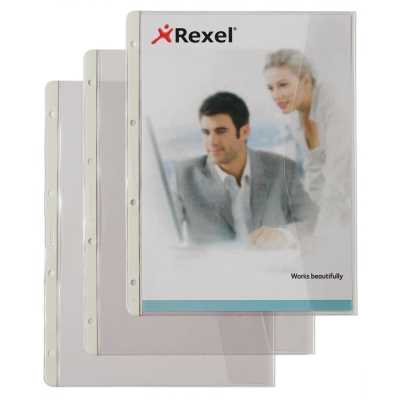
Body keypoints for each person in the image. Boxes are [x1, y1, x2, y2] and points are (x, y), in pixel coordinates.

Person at [172, 91, 318, 246]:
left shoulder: (283, 169)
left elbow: (315, 222)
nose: (212, 141)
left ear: (244, 132)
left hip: (270, 261)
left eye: (221, 131)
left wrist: (284, 235)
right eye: (206, 132)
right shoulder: (182, 176)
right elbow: (162, 236)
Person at [263, 49, 352, 224]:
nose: (276, 95)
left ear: (305, 80)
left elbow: (338, 175)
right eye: (271, 88)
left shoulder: (334, 103)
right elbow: (314, 174)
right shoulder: (297, 117)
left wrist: (323, 228)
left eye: (283, 85)